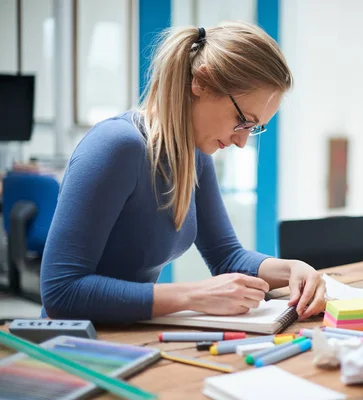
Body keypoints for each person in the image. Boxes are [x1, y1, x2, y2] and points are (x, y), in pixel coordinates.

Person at [40, 22, 326, 324]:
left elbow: (226, 257)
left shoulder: (195, 154)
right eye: (242, 121)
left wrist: (293, 269)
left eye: (254, 129)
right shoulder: (117, 146)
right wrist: (193, 296)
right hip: (72, 345)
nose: (242, 142)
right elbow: (61, 291)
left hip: (130, 334)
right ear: (201, 82)